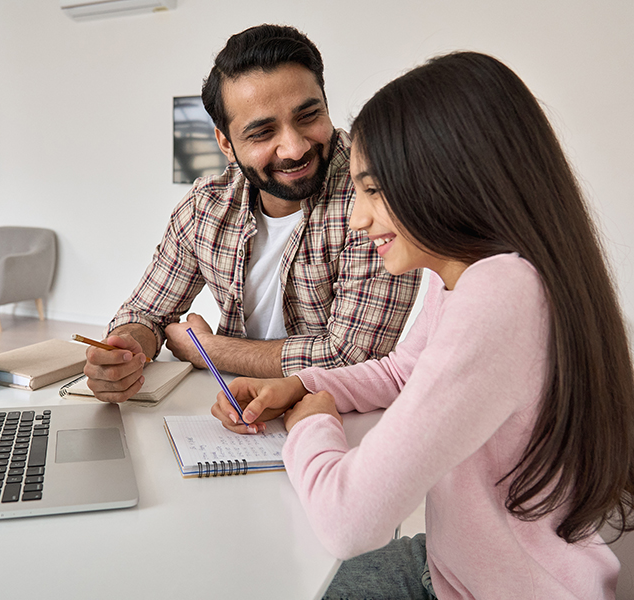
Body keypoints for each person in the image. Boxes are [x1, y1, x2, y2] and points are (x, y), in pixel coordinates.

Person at [211, 51, 634, 599]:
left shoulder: (502, 293)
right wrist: (306, 385)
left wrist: (311, 423)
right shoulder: (461, 269)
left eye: (375, 190)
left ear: (446, 179)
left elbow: (348, 521)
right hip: (454, 568)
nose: (359, 218)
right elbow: (404, 369)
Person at [86, 24, 420, 403]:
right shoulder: (206, 207)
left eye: (309, 116)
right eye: (262, 133)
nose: (294, 148)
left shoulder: (376, 193)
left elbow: (353, 357)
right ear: (226, 144)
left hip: (343, 420)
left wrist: (207, 349)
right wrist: (126, 351)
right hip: (237, 412)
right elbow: (146, 312)